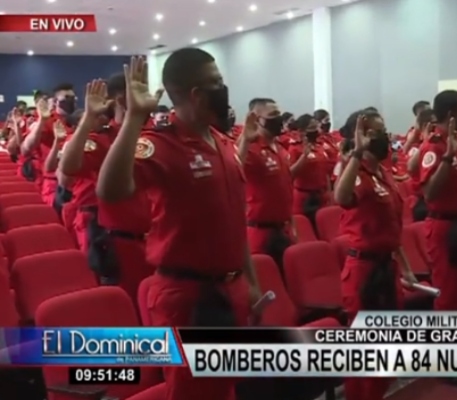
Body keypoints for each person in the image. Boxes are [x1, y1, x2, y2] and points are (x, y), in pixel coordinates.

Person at [96, 51, 262, 400]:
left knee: (224, 388)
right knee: (192, 391)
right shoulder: (161, 144)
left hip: (230, 289)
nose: (223, 88)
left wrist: (249, 281)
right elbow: (110, 190)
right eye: (216, 82)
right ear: (196, 94)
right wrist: (134, 119)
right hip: (187, 297)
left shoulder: (223, 143)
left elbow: (233, 222)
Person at [334, 110, 417, 400]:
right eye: (379, 132)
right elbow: (341, 197)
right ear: (364, 135)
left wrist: (406, 267)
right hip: (364, 271)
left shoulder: (383, 172)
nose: (385, 136)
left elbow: (392, 227)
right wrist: (356, 153)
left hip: (388, 266)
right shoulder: (354, 170)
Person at [59, 74, 153, 294]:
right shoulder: (104, 137)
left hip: (158, 241)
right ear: (120, 99)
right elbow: (68, 168)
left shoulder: (153, 134)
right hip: (123, 243)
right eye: (138, 91)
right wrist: (88, 119)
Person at [418, 90, 457, 387]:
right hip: (443, 226)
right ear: (452, 113)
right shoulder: (435, 145)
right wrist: (448, 157)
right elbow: (429, 192)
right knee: (450, 295)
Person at [237, 98, 295, 267]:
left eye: (279, 113)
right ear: (257, 119)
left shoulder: (280, 148)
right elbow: (234, 171)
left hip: (284, 230)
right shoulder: (251, 148)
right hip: (260, 232)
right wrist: (245, 140)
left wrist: (292, 225)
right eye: (273, 114)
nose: (279, 118)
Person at [21, 83, 77, 204]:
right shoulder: (48, 121)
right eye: (67, 98)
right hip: (54, 183)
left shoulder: (77, 121)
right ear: (56, 102)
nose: (71, 101)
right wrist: (42, 121)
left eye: (73, 98)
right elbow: (26, 149)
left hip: (75, 182)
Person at [288, 114, 331, 225]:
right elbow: (290, 174)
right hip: (304, 198)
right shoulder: (295, 149)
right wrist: (304, 157)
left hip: (322, 196)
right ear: (302, 131)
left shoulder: (319, 146)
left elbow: (325, 172)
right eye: (312, 128)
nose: (316, 130)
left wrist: (329, 193)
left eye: (316, 126)